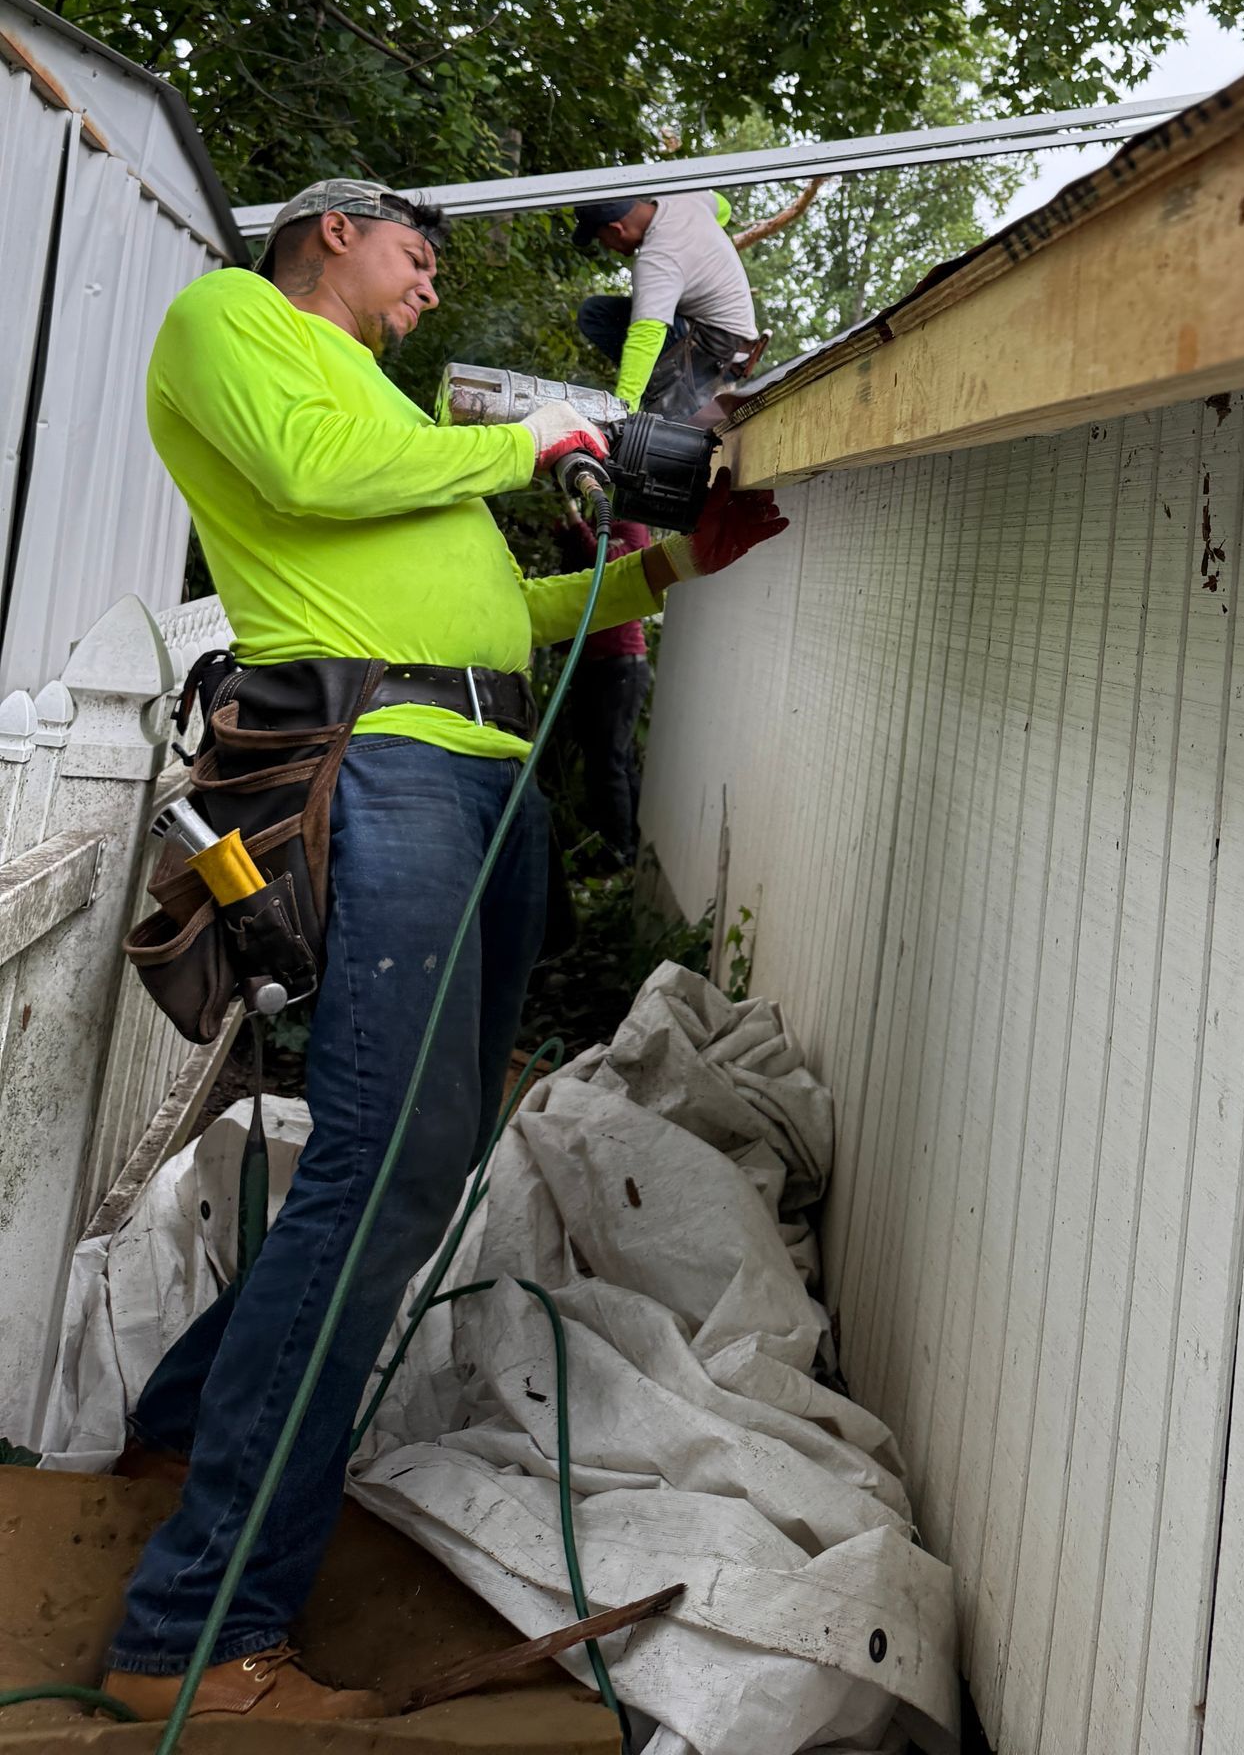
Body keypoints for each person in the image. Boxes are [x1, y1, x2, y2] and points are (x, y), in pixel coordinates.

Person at [101, 177, 785, 1723]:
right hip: (381, 760)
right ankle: (190, 1636)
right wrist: (534, 439)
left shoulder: (395, 419)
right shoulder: (236, 323)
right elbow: (305, 467)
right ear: (333, 229)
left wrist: (670, 569)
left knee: (427, 1155)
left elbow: (499, 612)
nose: (428, 287)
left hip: (482, 771)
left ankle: (182, 1421)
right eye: (419, 254)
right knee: (380, 1155)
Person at [572, 189, 760, 418]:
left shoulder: (658, 259)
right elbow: (724, 206)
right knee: (597, 313)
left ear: (616, 229)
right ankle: (658, 382)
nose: (607, 247)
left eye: (602, 239)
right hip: (727, 335)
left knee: (662, 428)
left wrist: (622, 409)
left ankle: (671, 396)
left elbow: (646, 336)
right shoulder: (686, 199)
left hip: (717, 350)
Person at [553, 511, 652, 867]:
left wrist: (576, 522)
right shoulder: (602, 524)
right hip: (599, 666)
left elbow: (609, 562)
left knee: (610, 762)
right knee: (609, 761)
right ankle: (625, 845)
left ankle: (619, 851)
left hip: (621, 666)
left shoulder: (631, 526)